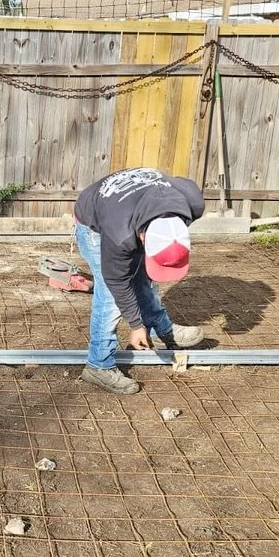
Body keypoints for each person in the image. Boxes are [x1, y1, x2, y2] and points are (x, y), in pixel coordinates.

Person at [73, 168, 205, 394]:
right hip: (94, 222)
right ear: (143, 236)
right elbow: (118, 282)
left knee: (144, 277)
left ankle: (160, 329)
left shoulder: (191, 202)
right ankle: (99, 365)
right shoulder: (119, 233)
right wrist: (135, 325)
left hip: (135, 208)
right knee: (110, 297)